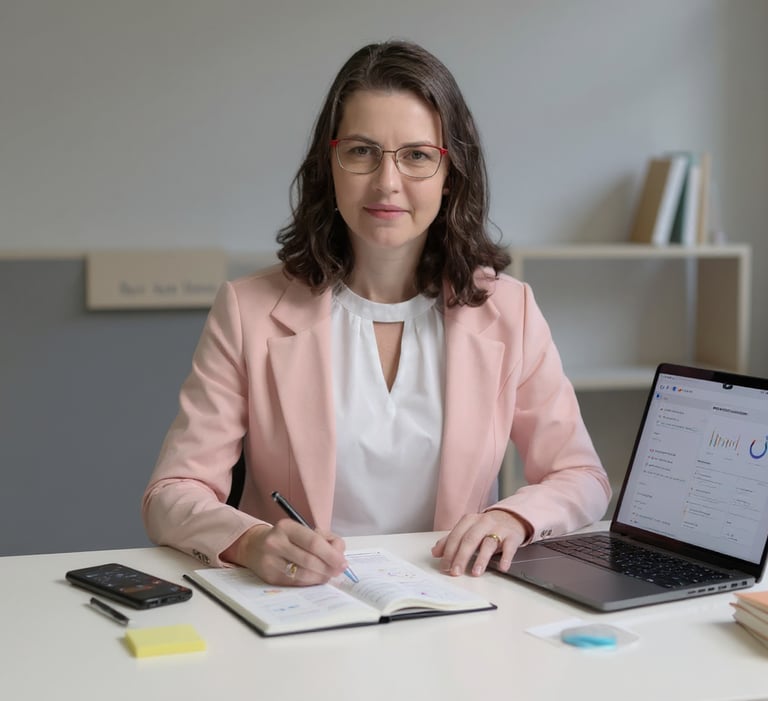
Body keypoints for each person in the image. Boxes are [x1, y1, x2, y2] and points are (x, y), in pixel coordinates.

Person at [141, 40, 611, 586]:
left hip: (453, 600)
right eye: (362, 151)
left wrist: (513, 518)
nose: (387, 182)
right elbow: (171, 493)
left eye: (417, 155)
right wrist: (250, 542)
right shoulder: (248, 310)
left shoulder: (510, 310)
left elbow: (581, 475)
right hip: (299, 603)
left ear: (451, 173)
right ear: (330, 166)